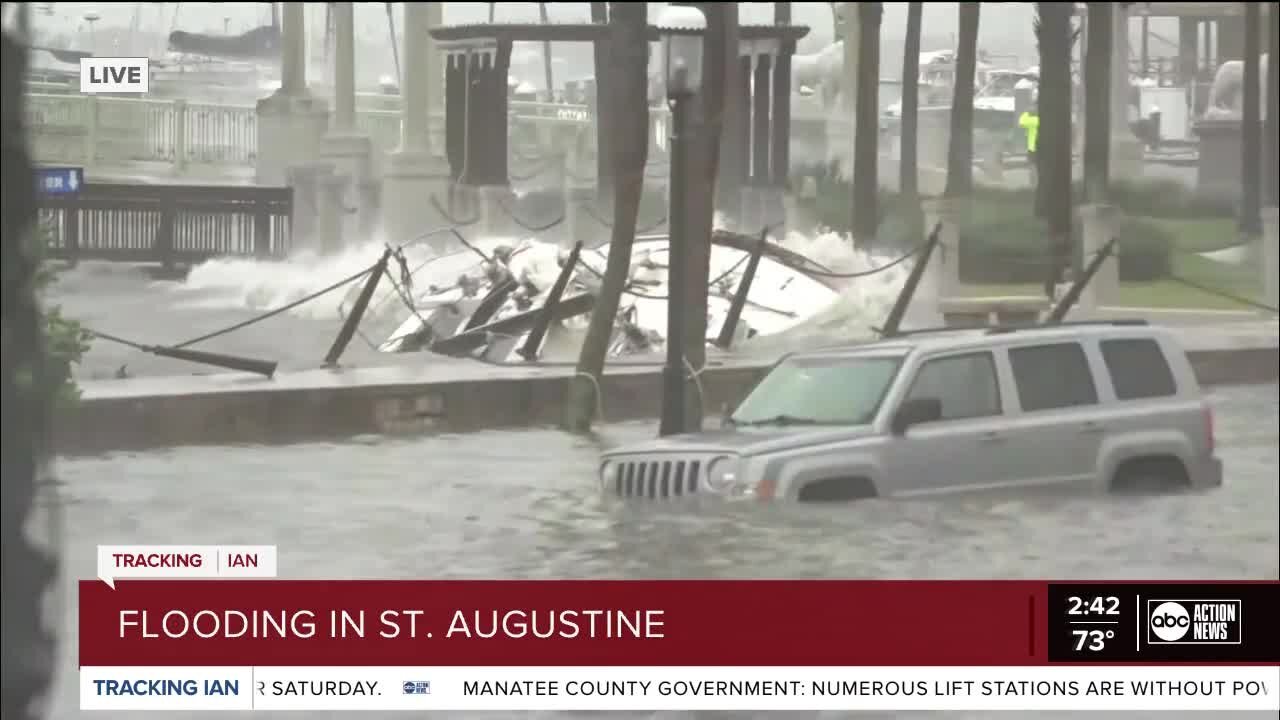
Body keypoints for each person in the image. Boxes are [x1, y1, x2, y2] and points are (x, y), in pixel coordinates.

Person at [1018, 100, 1040, 187]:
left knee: (1033, 164)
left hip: (1033, 144)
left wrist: (1029, 111)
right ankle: (1036, 183)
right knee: (1035, 164)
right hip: (1042, 145)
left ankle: (1034, 184)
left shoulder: (1031, 117)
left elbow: (1021, 122)